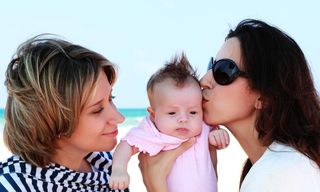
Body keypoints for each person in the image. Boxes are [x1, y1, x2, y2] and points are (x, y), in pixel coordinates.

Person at [138, 19, 320, 192]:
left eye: (223, 70)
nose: (203, 80)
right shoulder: (278, 165)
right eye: (211, 66)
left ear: (265, 96)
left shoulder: (281, 173)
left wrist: (157, 186)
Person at [0, 34, 129, 192]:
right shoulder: (15, 186)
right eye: (97, 110)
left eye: (110, 98)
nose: (119, 117)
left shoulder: (108, 167)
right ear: (49, 119)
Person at [110, 54, 230, 191]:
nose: (184, 119)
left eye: (193, 112)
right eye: (172, 113)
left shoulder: (203, 127)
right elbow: (126, 144)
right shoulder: (152, 131)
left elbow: (214, 132)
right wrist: (119, 169)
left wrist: (219, 134)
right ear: (153, 115)